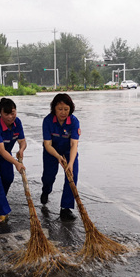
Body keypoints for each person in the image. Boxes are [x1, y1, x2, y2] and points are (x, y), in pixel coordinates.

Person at [41, 93, 80, 221]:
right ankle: (46, 191)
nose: (63, 112)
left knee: (71, 176)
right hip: (52, 151)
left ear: (70, 109)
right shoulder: (47, 121)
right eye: (60, 109)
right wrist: (57, 156)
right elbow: (47, 144)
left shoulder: (74, 122)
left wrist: (70, 163)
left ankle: (65, 208)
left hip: (69, 152)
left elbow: (74, 144)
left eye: (66, 109)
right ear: (54, 109)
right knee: (48, 177)